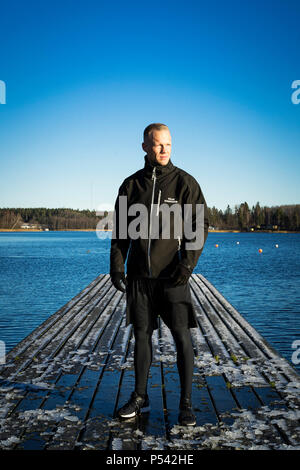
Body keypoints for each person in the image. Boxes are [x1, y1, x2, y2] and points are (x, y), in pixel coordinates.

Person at [110, 123, 208, 426]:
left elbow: (199, 226)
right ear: (144, 147)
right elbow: (120, 233)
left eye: (168, 144)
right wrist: (116, 265)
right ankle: (140, 397)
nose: (164, 150)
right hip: (140, 278)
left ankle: (186, 403)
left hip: (172, 277)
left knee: (181, 337)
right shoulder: (130, 185)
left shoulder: (185, 184)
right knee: (141, 337)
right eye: (157, 144)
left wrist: (187, 264)